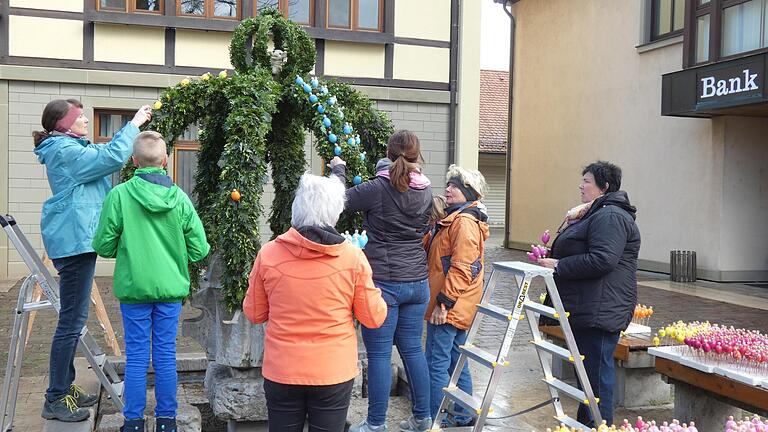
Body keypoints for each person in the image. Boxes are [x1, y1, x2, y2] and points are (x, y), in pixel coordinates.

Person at [33, 99, 152, 422]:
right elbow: (110, 157)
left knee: (73, 320)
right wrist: (134, 125)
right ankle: (55, 397)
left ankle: (65, 386)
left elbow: (103, 158)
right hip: (72, 243)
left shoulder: (68, 147)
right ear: (64, 124)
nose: (86, 121)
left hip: (76, 241)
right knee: (71, 322)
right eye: (80, 117)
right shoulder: (64, 151)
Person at [243, 173, 387, 432]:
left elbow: (254, 313)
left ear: (296, 209)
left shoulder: (269, 253)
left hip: (282, 369)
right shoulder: (353, 258)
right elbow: (373, 317)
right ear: (335, 213)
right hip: (333, 370)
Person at [92, 131, 210, 432]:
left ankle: (133, 422)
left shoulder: (119, 195)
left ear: (133, 161)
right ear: (166, 161)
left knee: (136, 356)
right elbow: (200, 249)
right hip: (170, 288)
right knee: (165, 354)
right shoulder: (180, 198)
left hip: (135, 288)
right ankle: (166, 421)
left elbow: (104, 246)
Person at [330, 130, 434, 432]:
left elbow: (338, 202)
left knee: (378, 354)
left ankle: (375, 424)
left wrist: (339, 169)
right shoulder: (426, 190)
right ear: (417, 155)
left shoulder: (378, 188)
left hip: (385, 283)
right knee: (413, 350)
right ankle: (422, 418)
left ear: (388, 154)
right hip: (418, 281)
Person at [537, 161, 640, 427]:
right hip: (590, 305)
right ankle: (588, 425)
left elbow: (603, 259)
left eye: (587, 181)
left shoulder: (611, 216)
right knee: (588, 377)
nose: (581, 186)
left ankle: (599, 425)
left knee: (596, 376)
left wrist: (560, 265)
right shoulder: (596, 214)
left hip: (601, 308)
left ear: (604, 187)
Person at [423, 165, 489, 428]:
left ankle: (433, 418)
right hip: (456, 305)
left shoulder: (463, 223)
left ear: (468, 193)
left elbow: (463, 268)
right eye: (448, 185)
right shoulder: (455, 219)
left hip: (451, 306)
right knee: (455, 361)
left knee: (436, 363)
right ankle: (462, 414)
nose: (448, 189)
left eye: (455, 186)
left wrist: (443, 303)